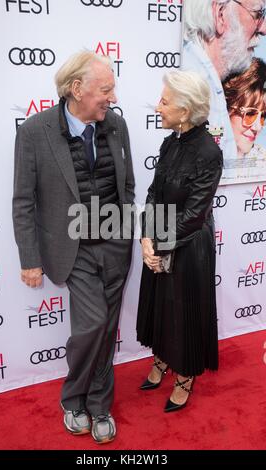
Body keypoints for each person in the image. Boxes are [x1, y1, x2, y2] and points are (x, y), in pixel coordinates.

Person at [12, 51, 135, 444]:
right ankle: (72, 397)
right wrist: (29, 259)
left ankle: (99, 406)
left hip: (115, 243)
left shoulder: (115, 125)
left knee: (107, 327)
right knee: (93, 324)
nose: (113, 96)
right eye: (106, 89)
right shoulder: (35, 131)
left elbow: (127, 183)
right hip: (73, 247)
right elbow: (24, 201)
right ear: (76, 89)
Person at [136, 70, 223, 412]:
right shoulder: (170, 142)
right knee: (160, 306)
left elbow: (195, 215)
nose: (158, 107)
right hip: (159, 237)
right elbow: (154, 193)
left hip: (189, 246)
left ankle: (185, 375)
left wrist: (159, 246)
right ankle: (161, 360)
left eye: (165, 101)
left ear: (185, 111)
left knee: (183, 312)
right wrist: (146, 236)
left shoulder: (208, 153)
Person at [182, 0, 266, 165]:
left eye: (263, 116)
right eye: (258, 14)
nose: (263, 29)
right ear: (220, 14)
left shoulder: (206, 83)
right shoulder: (191, 88)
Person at [222, 57, 266, 180]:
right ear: (226, 108)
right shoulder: (199, 162)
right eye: (250, 114)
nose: (258, 127)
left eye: (263, 116)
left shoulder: (263, 162)